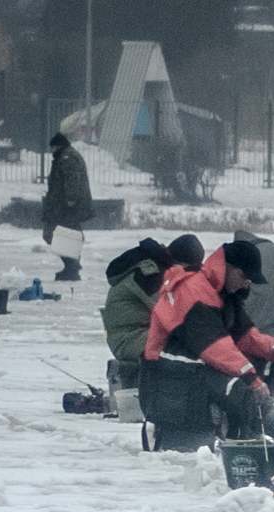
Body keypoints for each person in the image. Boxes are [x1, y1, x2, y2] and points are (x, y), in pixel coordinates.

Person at [143, 237, 274, 445]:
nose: (246, 282)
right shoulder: (192, 289)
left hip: (195, 370)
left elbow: (246, 335)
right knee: (245, 394)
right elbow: (214, 346)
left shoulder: (222, 294)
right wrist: (251, 379)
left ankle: (248, 434)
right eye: (243, 275)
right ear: (227, 267)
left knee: (261, 377)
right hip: (170, 374)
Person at [102, 238, 180, 368]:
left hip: (139, 334)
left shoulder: (153, 267)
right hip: (129, 340)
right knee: (187, 349)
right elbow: (169, 313)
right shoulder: (148, 275)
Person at [43, 133, 96, 281]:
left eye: (53, 148)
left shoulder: (67, 158)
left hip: (66, 206)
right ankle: (72, 267)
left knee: (54, 233)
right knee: (68, 235)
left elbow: (72, 180)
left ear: (57, 146)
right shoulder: (66, 156)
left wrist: (71, 200)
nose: (52, 151)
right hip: (64, 205)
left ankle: (72, 266)